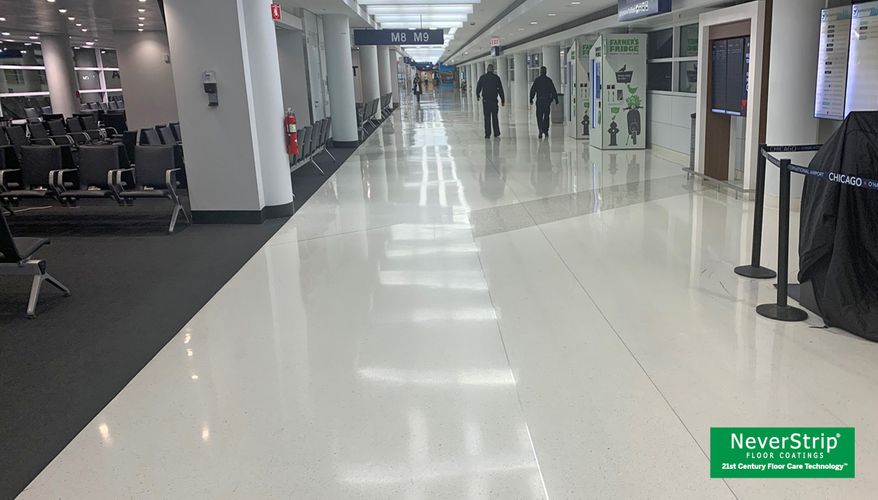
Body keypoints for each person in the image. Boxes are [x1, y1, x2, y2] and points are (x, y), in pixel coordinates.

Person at [476, 64, 506, 139]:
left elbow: (478, 87)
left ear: (487, 69)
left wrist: (478, 95)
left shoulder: (482, 77)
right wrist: (502, 99)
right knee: (495, 117)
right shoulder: (496, 78)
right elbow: (500, 90)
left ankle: (487, 134)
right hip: (494, 101)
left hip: (486, 101)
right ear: (493, 70)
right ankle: (496, 133)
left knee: (487, 118)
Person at [530, 66, 559, 139]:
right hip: (547, 101)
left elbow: (533, 90)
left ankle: (540, 129)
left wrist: (531, 98)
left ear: (540, 72)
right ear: (546, 72)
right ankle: (545, 130)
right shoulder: (549, 80)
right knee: (546, 116)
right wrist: (556, 99)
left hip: (539, 101)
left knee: (539, 116)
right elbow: (553, 90)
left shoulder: (537, 80)